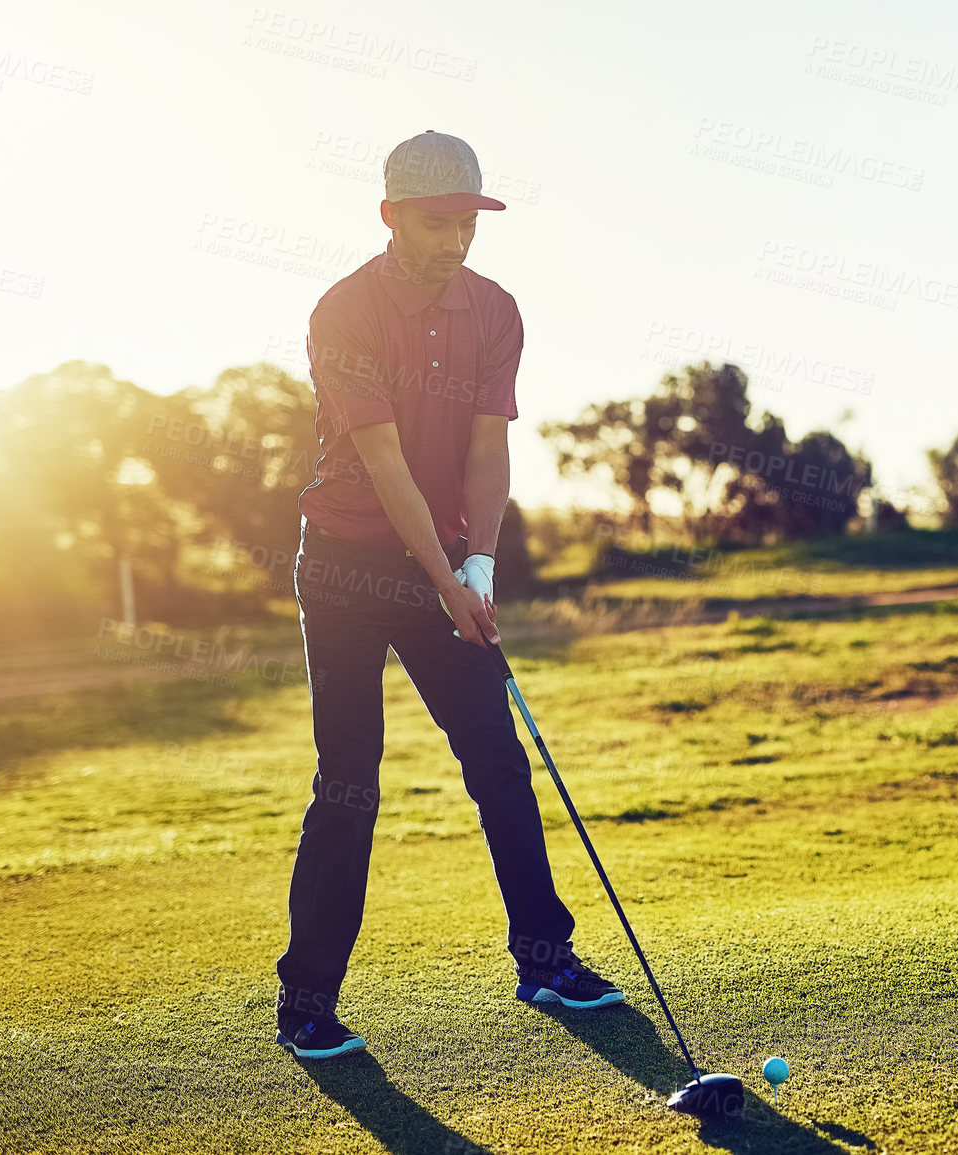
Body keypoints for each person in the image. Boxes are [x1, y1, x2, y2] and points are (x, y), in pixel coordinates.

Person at [274, 130, 623, 1061]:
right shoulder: (342, 312)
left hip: (446, 563)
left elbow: (485, 448)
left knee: (498, 763)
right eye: (438, 222)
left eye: (469, 221)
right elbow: (383, 461)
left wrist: (482, 567)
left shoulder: (494, 310)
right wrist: (441, 577)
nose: (457, 240)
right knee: (348, 783)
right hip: (347, 564)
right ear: (390, 216)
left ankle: (545, 959)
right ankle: (306, 1001)